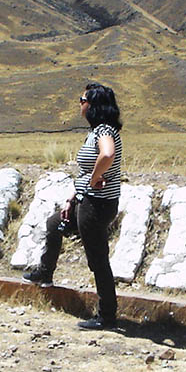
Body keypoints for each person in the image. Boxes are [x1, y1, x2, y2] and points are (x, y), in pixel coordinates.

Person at [24, 82, 123, 330]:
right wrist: (74, 196)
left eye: (82, 100)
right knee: (55, 224)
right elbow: (87, 168)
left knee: (97, 259)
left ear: (93, 105)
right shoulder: (96, 131)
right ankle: (45, 273)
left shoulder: (104, 131)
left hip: (97, 205)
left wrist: (93, 179)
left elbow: (107, 155)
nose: (80, 104)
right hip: (86, 201)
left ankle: (107, 316)